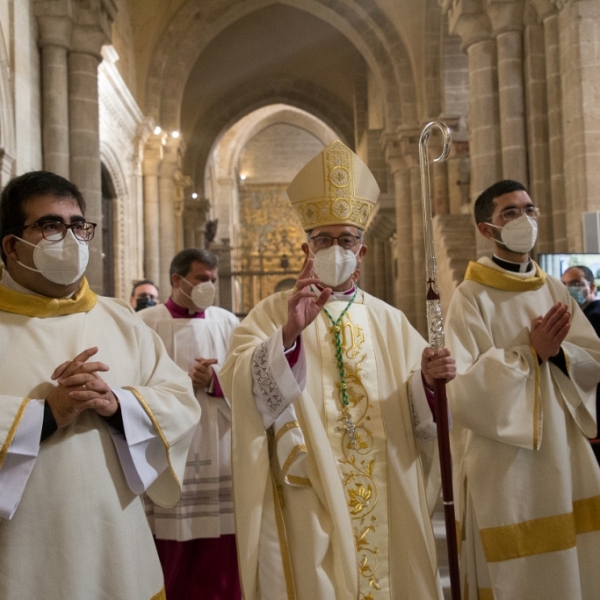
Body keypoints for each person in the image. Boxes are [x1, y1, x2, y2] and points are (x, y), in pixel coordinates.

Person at [219, 140, 456, 600]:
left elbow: (420, 416)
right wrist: (287, 337)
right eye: (323, 239)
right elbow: (240, 388)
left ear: (361, 253)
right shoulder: (270, 314)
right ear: (307, 247)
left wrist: (427, 381)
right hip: (308, 486)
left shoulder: (390, 321)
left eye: (345, 239)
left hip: (384, 481)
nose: (334, 248)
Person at [0, 171, 201, 600]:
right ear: (12, 246)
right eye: (51, 225)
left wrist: (119, 406)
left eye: (78, 225)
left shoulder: (122, 321)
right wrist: (47, 415)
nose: (71, 238)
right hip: (21, 560)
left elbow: (181, 402)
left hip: (117, 551)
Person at [445, 180, 600, 600]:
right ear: (486, 230)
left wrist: (559, 355)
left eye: (529, 209)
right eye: (510, 213)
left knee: (572, 567)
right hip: (504, 461)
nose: (524, 219)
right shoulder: (470, 296)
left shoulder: (552, 288)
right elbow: (464, 389)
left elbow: (590, 357)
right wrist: (530, 355)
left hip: (562, 450)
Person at [140, 248, 241, 600]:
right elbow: (133, 386)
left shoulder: (228, 323)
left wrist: (215, 381)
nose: (209, 286)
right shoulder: (146, 324)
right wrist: (183, 382)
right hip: (168, 453)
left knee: (221, 552)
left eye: (213, 280)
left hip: (220, 446)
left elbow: (249, 383)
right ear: (176, 280)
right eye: (201, 279)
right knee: (172, 554)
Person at [561, 265, 600, 464]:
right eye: (564, 284)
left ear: (591, 287)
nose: (569, 289)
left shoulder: (596, 316)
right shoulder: (579, 316)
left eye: (576, 284)